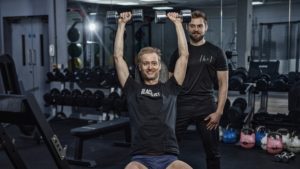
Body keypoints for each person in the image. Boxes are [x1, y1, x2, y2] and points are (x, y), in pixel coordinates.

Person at [113, 11, 192, 169]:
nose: (150, 67)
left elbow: (184, 56)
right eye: (146, 63)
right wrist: (121, 25)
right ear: (140, 67)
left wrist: (178, 24)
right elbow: (118, 57)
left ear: (159, 65)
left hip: (169, 157)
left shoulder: (171, 88)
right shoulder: (132, 89)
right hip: (140, 158)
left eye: (154, 63)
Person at [168, 10, 229, 169]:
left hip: (206, 106)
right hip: (182, 104)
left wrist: (219, 111)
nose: (196, 29)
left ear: (206, 27)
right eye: (193, 26)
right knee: (169, 148)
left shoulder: (216, 52)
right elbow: (170, 82)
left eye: (199, 26)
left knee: (213, 152)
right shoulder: (179, 53)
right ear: (187, 28)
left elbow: (223, 84)